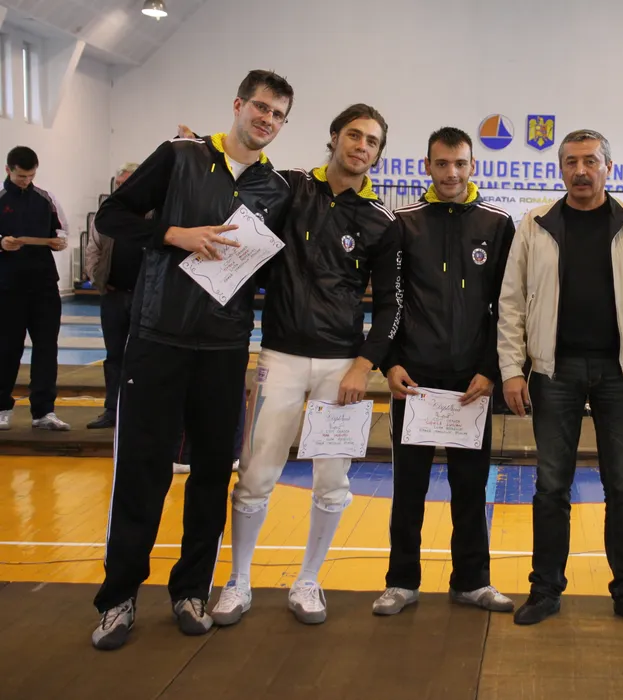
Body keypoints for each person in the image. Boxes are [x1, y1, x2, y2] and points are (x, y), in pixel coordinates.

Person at [90, 70, 294, 651]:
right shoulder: (180, 156)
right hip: (158, 338)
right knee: (142, 473)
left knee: (211, 476)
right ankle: (118, 598)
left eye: (278, 114)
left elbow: (270, 268)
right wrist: (173, 234)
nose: (267, 120)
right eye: (260, 107)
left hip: (224, 348)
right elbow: (112, 217)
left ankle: (190, 591)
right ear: (238, 104)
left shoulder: (276, 189)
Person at [207, 103, 402, 627]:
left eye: (373, 142)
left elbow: (391, 305)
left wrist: (364, 364)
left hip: (342, 369)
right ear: (334, 137)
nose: (362, 147)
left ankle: (309, 580)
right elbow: (235, 185)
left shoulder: (381, 221)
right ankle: (238, 581)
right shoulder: (289, 188)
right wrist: (206, 151)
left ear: (378, 154)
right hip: (280, 357)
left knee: (333, 482)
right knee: (255, 475)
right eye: (354, 135)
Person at [498, 129, 623, 629]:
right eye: (571, 161)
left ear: (608, 167)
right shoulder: (536, 225)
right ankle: (545, 589)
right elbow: (511, 301)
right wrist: (512, 369)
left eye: (590, 161)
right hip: (555, 372)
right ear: (560, 168)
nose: (580, 171)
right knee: (551, 485)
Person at [371, 127, 516, 616]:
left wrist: (490, 370)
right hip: (414, 382)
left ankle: (472, 582)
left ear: (473, 166)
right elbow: (389, 300)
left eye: (460, 164)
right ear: (427, 166)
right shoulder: (403, 223)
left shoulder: (498, 225)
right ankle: (401, 581)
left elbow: (507, 305)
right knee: (408, 487)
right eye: (441, 164)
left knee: (470, 488)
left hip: (471, 383)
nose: (451, 173)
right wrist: (391, 362)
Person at [0, 146, 70, 432]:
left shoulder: (46, 198)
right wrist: (1, 242)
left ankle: (43, 411)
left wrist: (59, 241)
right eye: (21, 176)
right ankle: (2, 407)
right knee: (7, 348)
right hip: (8, 287)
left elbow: (61, 230)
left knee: (46, 348)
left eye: (30, 176)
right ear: (8, 170)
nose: (26, 181)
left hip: (44, 285)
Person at [85, 163, 142, 430]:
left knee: (143, 357)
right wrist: (98, 278)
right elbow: (93, 249)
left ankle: (140, 413)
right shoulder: (107, 214)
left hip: (145, 299)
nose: (121, 188)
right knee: (114, 355)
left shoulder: (154, 212)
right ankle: (112, 410)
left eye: (126, 183)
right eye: (118, 184)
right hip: (113, 295)